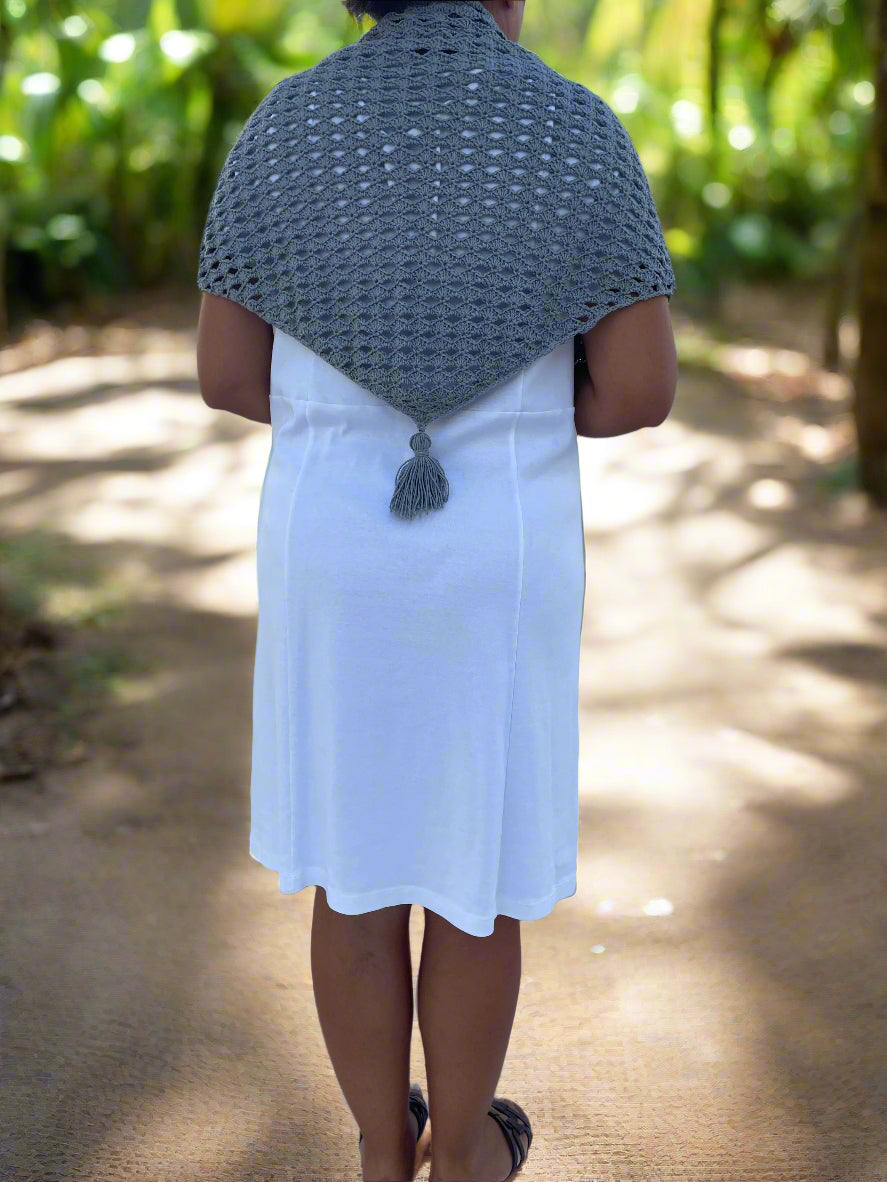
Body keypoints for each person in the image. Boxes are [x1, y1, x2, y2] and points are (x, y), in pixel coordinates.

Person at [196, 1, 678, 1179]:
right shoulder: (573, 131)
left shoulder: (286, 124)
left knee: (352, 877)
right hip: (495, 553)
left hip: (329, 553)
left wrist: (345, 415)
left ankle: (379, 1152)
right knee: (474, 879)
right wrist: (500, 412)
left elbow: (224, 372)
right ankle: (462, 1152)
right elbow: (636, 390)